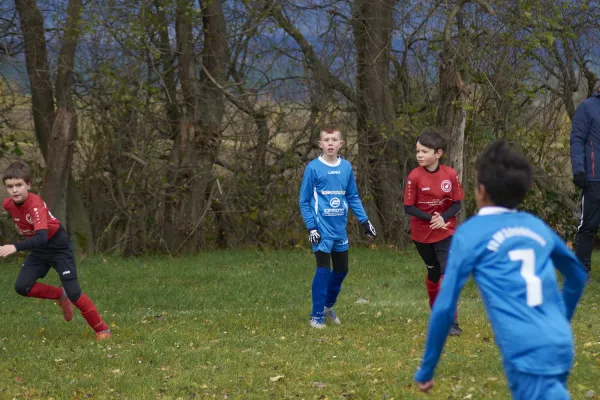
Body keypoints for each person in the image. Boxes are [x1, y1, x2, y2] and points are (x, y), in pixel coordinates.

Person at [414, 140, 587, 399]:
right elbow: (576, 274)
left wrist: (426, 368)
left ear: (481, 191)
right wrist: (562, 317)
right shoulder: (536, 226)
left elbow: (444, 306)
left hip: (526, 346)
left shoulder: (470, 234)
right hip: (559, 340)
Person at [0, 161, 112, 341]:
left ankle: (103, 330)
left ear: (28, 184)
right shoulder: (8, 204)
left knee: (75, 293)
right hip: (39, 250)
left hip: (58, 247)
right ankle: (60, 295)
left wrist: (15, 246)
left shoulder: (35, 204)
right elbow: (18, 217)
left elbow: (42, 237)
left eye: (19, 185)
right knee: (22, 287)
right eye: (10, 186)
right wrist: (19, 225)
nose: (14, 190)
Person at [299, 127, 377, 329]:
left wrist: (365, 221)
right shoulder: (313, 168)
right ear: (320, 144)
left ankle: (327, 307)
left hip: (339, 231)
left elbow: (352, 196)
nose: (331, 143)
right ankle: (316, 317)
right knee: (323, 270)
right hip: (321, 231)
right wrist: (311, 228)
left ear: (341, 144)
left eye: (334, 139)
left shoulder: (346, 168)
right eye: (327, 140)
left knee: (342, 270)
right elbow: (304, 201)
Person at [403, 128, 464, 335]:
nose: (419, 155)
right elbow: (408, 208)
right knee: (434, 273)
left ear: (438, 154)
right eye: (418, 151)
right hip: (422, 234)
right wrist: (432, 219)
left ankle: (452, 321)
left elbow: (457, 204)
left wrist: (443, 219)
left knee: (448, 273)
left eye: (424, 151)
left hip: (446, 232)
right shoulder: (414, 176)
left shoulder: (450, 175)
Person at [570, 87, 600, 276]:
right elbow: (577, 139)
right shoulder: (587, 108)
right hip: (593, 178)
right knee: (588, 226)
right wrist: (579, 170)